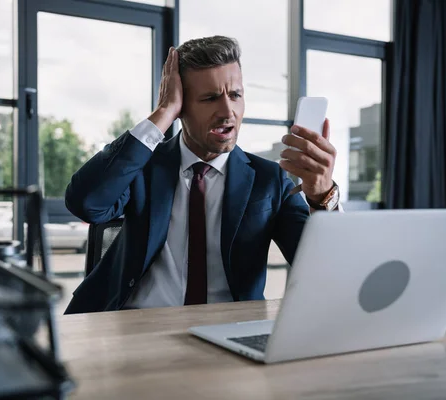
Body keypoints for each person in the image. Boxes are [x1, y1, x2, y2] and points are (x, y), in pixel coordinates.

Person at [64, 36, 340, 314]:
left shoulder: (270, 180)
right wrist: (163, 112)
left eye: (235, 95)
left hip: (228, 329)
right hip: (136, 324)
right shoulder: (143, 165)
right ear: (181, 105)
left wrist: (321, 196)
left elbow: (321, 270)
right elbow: (87, 203)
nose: (227, 111)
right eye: (209, 98)